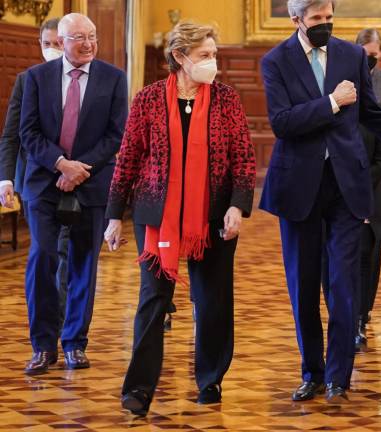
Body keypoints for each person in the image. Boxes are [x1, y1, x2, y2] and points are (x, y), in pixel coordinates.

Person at [259, 0, 381, 404]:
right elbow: (282, 122)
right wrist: (330, 103)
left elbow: (371, 115)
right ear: (296, 20)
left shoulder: (350, 54)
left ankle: (338, 377)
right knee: (304, 286)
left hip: (347, 186)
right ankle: (311, 372)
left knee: (344, 286)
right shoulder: (275, 61)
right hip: (298, 187)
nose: (325, 24)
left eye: (329, 17)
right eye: (316, 19)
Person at [104, 21, 256, 416]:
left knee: (213, 301)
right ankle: (138, 387)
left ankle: (210, 379)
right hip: (157, 214)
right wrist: (114, 216)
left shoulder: (226, 99)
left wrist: (238, 206)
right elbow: (128, 159)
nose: (213, 63)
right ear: (179, 57)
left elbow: (243, 158)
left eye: (214, 54)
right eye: (205, 55)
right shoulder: (148, 99)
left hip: (215, 214)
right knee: (153, 301)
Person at [19, 13, 127, 375]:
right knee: (43, 256)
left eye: (92, 36)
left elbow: (115, 135)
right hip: (45, 183)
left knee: (84, 264)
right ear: (61, 42)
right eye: (79, 37)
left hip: (93, 182)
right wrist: (61, 164)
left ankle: (75, 343)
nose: (89, 43)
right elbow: (28, 132)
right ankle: (43, 346)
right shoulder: (35, 78)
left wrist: (80, 168)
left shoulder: (114, 78)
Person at [0, 18, 71, 332]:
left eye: (58, 43)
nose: (53, 49)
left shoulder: (90, 80)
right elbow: (11, 134)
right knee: (44, 252)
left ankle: (62, 322)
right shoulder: (27, 80)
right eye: (47, 44)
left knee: (67, 254)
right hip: (35, 182)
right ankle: (45, 326)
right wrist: (6, 178)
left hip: (76, 182)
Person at [352, 27, 381, 350]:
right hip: (346, 178)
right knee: (351, 252)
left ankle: (363, 314)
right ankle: (353, 315)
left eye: (375, 52)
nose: (372, 58)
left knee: (371, 249)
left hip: (377, 176)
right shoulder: (344, 81)